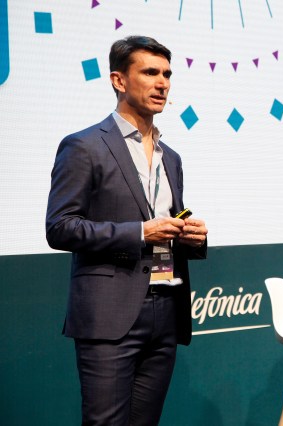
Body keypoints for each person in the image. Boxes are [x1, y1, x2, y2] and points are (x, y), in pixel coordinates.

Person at [46, 35, 208, 425]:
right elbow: (60, 227)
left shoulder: (172, 157)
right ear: (119, 80)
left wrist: (191, 237)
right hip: (110, 313)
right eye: (150, 72)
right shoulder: (84, 146)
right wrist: (139, 233)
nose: (162, 83)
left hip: (165, 309)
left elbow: (164, 224)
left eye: (167, 74)